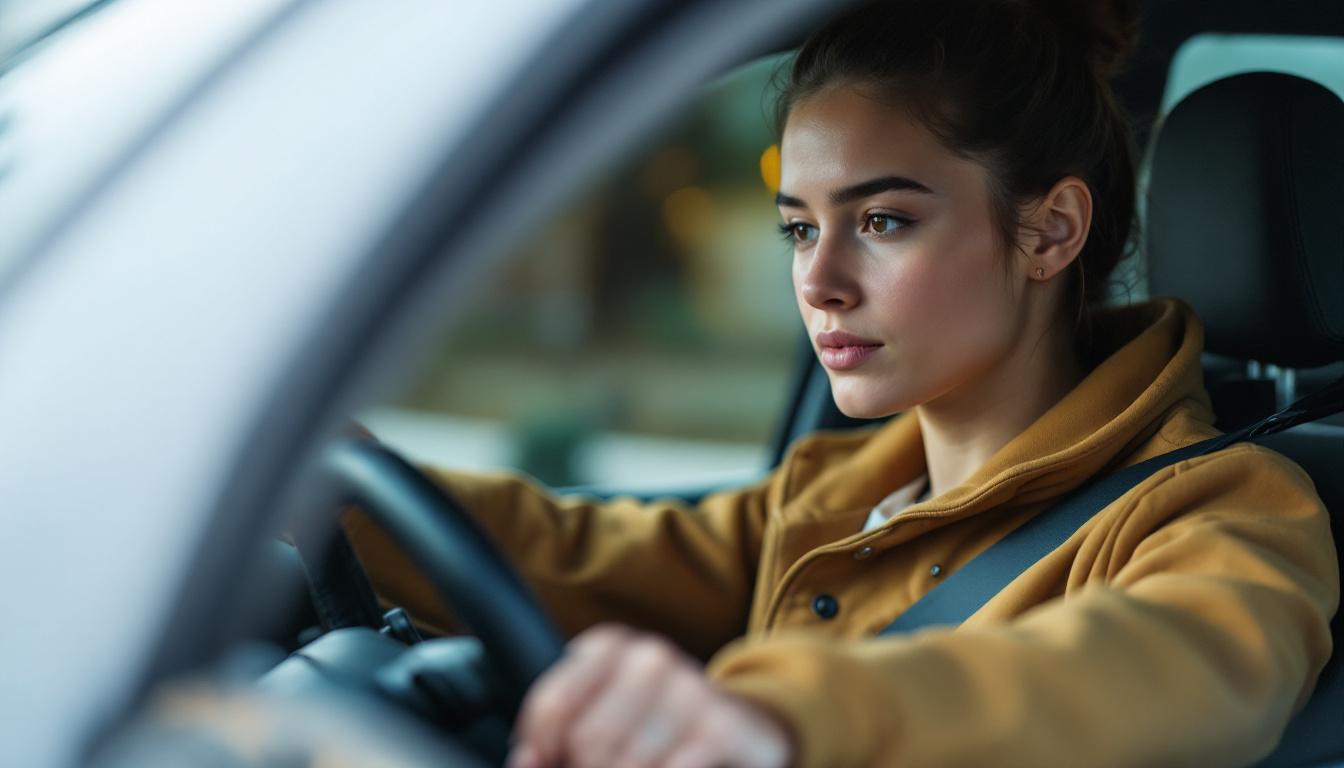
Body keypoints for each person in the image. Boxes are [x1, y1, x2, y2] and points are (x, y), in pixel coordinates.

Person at [345, 0, 1339, 765]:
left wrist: (781, 715)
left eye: (883, 222)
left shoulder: (1228, 510)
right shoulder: (836, 494)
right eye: (798, 226)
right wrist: (332, 490)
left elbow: (1165, 669)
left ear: (1050, 231)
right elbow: (568, 552)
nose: (816, 282)